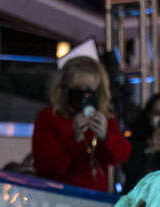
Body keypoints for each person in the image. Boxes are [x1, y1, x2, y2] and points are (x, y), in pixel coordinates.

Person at [31, 55, 130, 192]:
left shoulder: (103, 118)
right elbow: (47, 168)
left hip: (93, 199)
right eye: (78, 90)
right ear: (64, 90)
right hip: (58, 197)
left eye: (89, 91)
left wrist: (105, 137)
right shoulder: (49, 117)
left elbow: (121, 155)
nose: (83, 97)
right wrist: (74, 138)